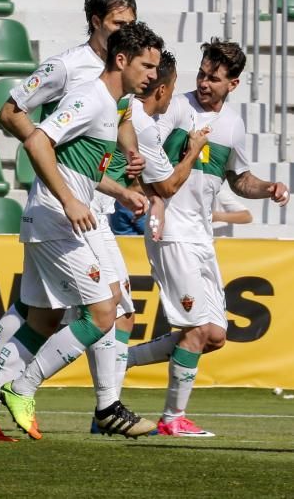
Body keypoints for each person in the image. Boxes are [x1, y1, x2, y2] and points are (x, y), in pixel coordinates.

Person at [0, 0, 147, 419]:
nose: (124, 32)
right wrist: (51, 153)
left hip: (95, 199)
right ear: (96, 22)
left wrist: (128, 155)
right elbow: (9, 111)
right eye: (118, 24)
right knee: (100, 306)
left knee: (48, 311)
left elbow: (121, 120)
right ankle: (103, 407)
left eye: (130, 24)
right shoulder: (67, 67)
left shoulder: (122, 70)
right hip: (65, 199)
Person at [123, 39, 289, 437]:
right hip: (172, 231)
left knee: (214, 335)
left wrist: (268, 188)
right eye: (201, 73)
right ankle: (171, 419)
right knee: (197, 330)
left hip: (200, 235)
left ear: (233, 83)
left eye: (214, 78)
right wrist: (151, 198)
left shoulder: (233, 125)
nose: (204, 83)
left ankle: (114, 362)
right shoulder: (175, 107)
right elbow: (140, 155)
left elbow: (239, 179)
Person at [84, 49, 211, 435]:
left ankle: (105, 410)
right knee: (91, 316)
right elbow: (169, 184)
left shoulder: (126, 111)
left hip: (93, 212)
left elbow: (142, 177)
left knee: (110, 314)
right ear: (164, 89)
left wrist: (138, 191)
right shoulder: (141, 120)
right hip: (85, 214)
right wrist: (191, 151)